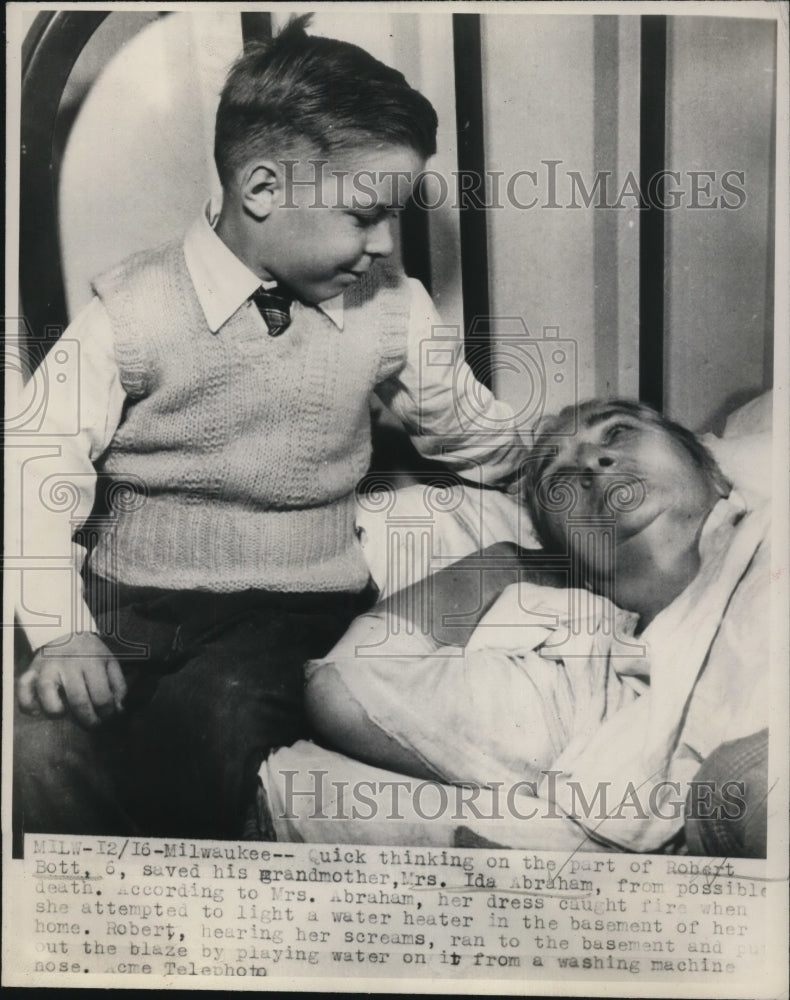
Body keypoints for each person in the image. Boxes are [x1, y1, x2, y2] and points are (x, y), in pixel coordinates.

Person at [12, 17, 521, 845]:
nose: (386, 244)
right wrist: (64, 634)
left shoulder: (391, 307)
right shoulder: (133, 312)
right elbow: (34, 463)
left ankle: (184, 920)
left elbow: (465, 427)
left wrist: (554, 469)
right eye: (367, 215)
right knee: (35, 751)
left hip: (293, 606)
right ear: (262, 191)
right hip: (126, 603)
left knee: (207, 722)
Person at [260, 399, 771, 854]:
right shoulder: (590, 683)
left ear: (713, 472)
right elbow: (349, 684)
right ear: (571, 563)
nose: (592, 464)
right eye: (559, 480)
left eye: (616, 432)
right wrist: (508, 561)